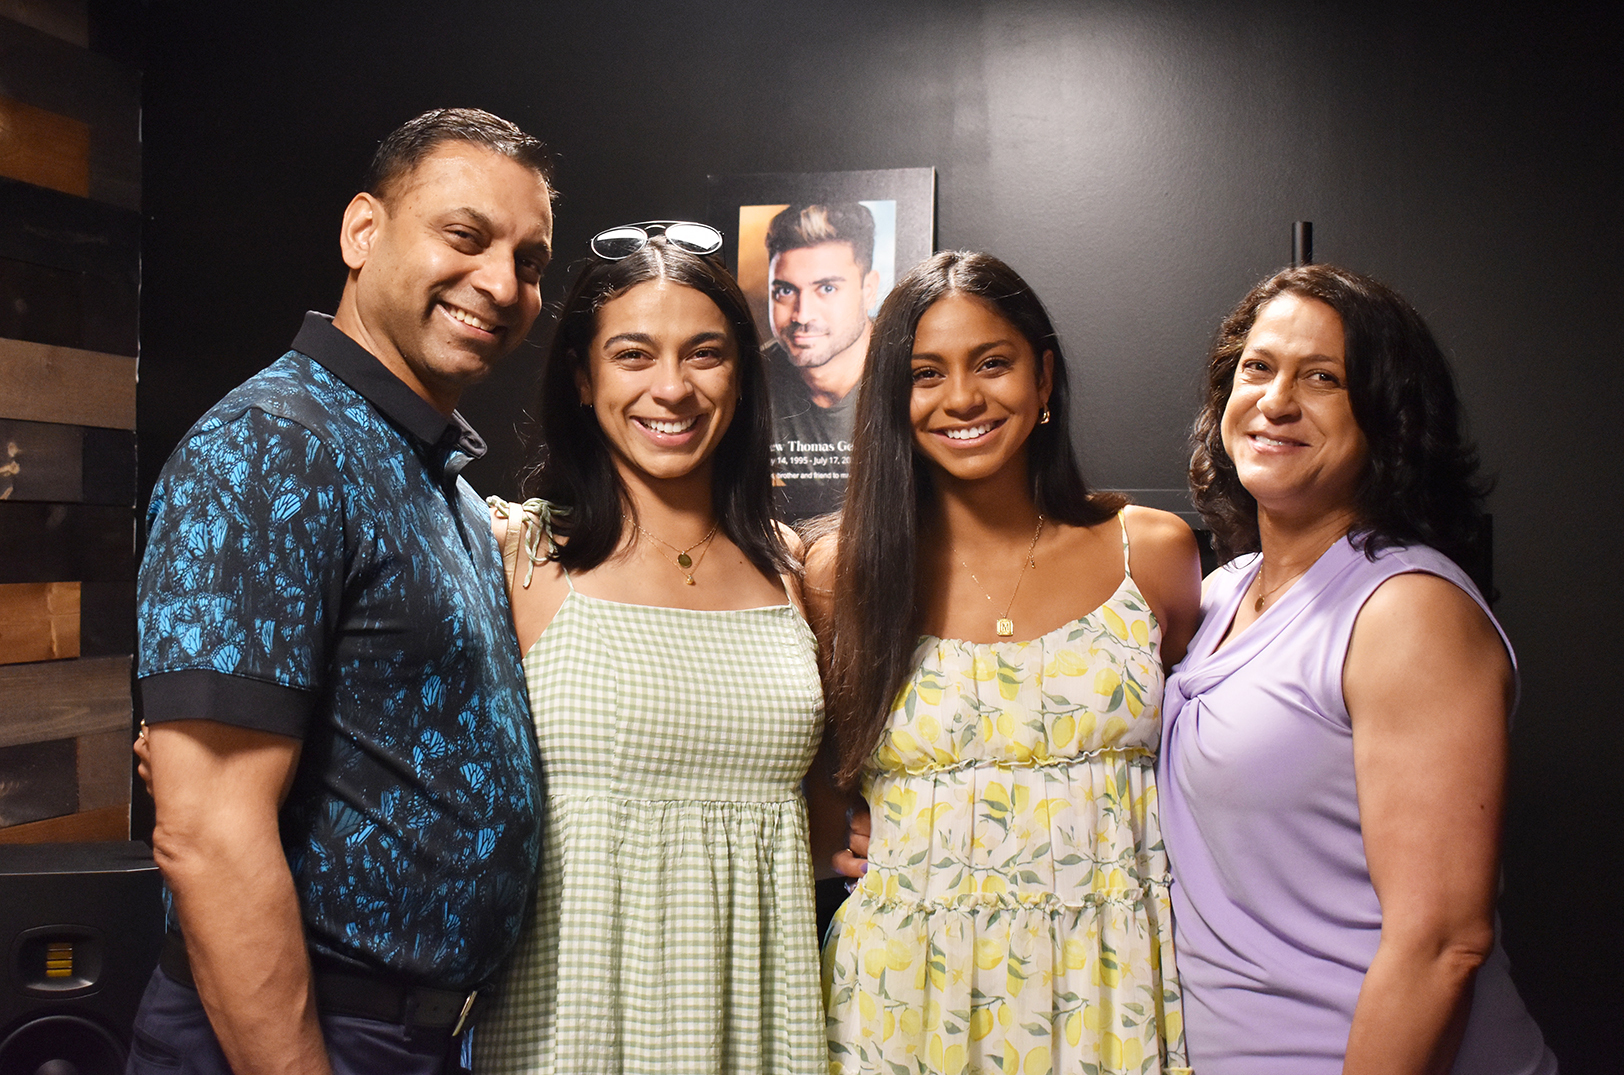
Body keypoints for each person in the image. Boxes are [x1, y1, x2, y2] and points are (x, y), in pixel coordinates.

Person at [130, 108, 553, 1074]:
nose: (501, 283)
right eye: (466, 235)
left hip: (417, 1034)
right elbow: (209, 834)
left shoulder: (435, 477)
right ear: (363, 232)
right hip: (299, 1030)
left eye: (529, 261)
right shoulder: (274, 446)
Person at [810, 251, 1201, 1074]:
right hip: (904, 994)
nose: (963, 398)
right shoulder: (840, 572)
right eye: (926, 373)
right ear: (891, 398)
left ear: (1045, 376)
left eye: (993, 362)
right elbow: (808, 773)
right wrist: (834, 828)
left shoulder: (1152, 553)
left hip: (1108, 984)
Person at [1161, 263, 1556, 1074]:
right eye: (1258, 368)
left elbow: (1444, 942)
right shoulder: (1220, 594)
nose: (1276, 401)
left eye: (1324, 378)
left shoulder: (1407, 612)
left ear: (1389, 418)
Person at [474, 223, 828, 1073]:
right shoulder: (515, 554)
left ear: (741, 378)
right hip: (570, 1025)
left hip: (757, 1020)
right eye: (634, 354)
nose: (671, 388)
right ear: (584, 377)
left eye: (703, 354)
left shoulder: (795, 570)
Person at [763, 202, 880, 520]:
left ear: (868, 290)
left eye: (827, 288)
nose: (802, 315)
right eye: (785, 291)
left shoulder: (914, 374)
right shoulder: (750, 381)